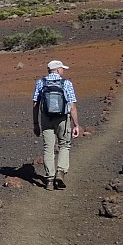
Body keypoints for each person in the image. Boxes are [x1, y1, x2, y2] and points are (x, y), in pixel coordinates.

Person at [32, 59, 82, 190]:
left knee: (48, 147)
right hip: (62, 119)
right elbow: (72, 107)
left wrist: (35, 123)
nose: (63, 71)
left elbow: (35, 105)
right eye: (62, 69)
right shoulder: (66, 83)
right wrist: (76, 124)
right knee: (64, 145)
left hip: (45, 119)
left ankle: (49, 179)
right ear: (58, 70)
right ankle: (60, 172)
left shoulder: (40, 83)